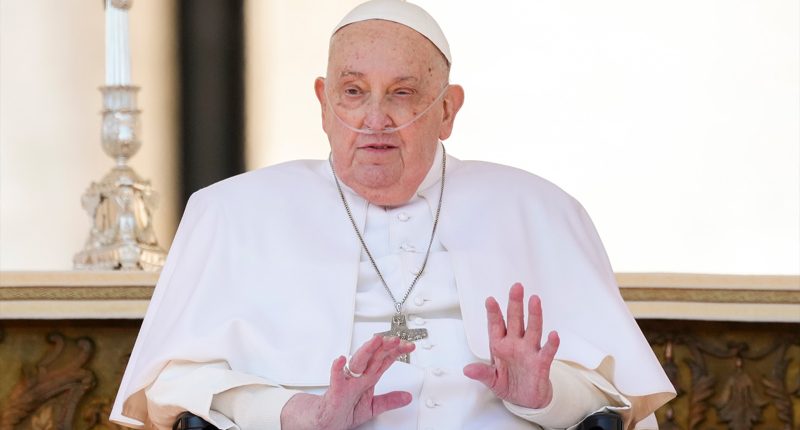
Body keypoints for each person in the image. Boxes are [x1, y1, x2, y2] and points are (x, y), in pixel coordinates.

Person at [111, 1, 675, 429]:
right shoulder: (231, 211)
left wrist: (545, 393)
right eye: (353, 92)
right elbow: (170, 388)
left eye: (402, 93)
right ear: (323, 103)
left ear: (448, 109)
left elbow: (615, 397)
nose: (374, 120)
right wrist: (294, 412)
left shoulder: (540, 209)